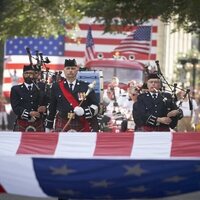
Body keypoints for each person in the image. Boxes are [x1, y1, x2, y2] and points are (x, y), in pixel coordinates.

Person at [45, 59, 99, 132]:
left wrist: (84, 111)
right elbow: (52, 108)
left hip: (81, 123)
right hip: (63, 123)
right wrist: (49, 126)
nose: (70, 71)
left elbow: (96, 106)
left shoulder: (86, 87)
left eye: (73, 68)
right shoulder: (56, 87)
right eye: (68, 68)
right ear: (64, 70)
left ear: (77, 70)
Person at [10, 64, 47, 132]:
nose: (29, 75)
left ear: (35, 75)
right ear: (23, 75)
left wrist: (45, 108)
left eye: (31, 73)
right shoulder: (16, 89)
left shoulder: (42, 87)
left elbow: (50, 103)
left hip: (38, 123)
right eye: (26, 73)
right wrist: (29, 113)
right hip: (22, 123)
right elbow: (15, 108)